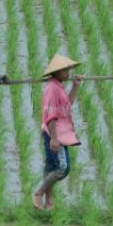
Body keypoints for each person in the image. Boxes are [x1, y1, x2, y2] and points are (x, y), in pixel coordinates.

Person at [32, 53, 82, 210]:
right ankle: (39, 193)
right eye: (65, 71)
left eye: (68, 70)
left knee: (51, 167)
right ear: (56, 72)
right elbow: (50, 115)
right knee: (62, 168)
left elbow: (67, 105)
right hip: (54, 134)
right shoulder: (51, 89)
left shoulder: (58, 86)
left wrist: (75, 86)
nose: (68, 73)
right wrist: (53, 138)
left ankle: (50, 202)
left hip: (62, 133)